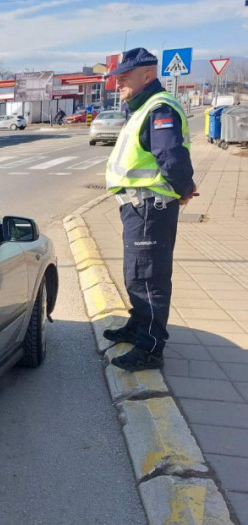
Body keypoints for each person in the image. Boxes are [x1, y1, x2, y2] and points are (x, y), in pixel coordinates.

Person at [101, 48, 197, 372]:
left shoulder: (159, 108)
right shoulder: (143, 108)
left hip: (150, 209)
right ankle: (138, 327)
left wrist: (183, 190)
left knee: (149, 278)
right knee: (136, 275)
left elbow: (171, 156)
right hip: (139, 208)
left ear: (147, 74)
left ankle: (150, 348)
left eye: (123, 78)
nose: (118, 85)